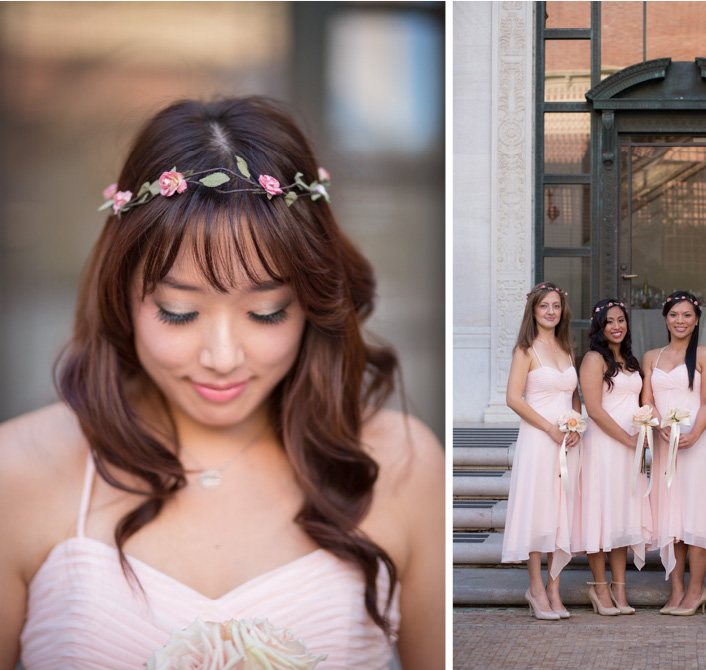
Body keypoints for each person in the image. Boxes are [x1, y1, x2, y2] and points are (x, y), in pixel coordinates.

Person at [0, 97, 444, 670]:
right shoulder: (17, 471)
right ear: (120, 295)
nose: (223, 357)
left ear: (312, 305)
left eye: (266, 314)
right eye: (179, 313)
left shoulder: (404, 464)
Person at [501, 282, 581, 621]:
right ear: (533, 310)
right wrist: (549, 428)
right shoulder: (526, 349)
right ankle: (535, 588)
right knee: (538, 511)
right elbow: (513, 398)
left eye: (556, 306)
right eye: (545, 306)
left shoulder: (566, 349)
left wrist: (577, 424)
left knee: (560, 513)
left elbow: (573, 398)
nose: (551, 311)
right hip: (538, 440)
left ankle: (553, 589)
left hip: (567, 442)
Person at [641, 291, 706, 616]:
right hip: (665, 447)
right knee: (670, 519)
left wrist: (694, 433)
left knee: (696, 518)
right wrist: (657, 424)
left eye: (687, 315)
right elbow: (647, 399)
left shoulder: (704, 354)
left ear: (697, 319)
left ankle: (696, 590)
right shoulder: (652, 357)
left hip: (695, 445)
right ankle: (675, 590)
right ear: (665, 318)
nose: (680, 320)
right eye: (675, 314)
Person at [573, 299, 651, 616]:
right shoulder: (593, 359)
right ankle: (600, 588)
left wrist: (641, 437)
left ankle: (620, 587)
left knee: (621, 514)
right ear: (599, 327)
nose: (616, 326)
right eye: (609, 321)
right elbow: (593, 409)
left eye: (620, 320)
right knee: (600, 512)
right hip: (604, 447)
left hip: (630, 449)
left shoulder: (631, 361)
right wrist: (628, 440)